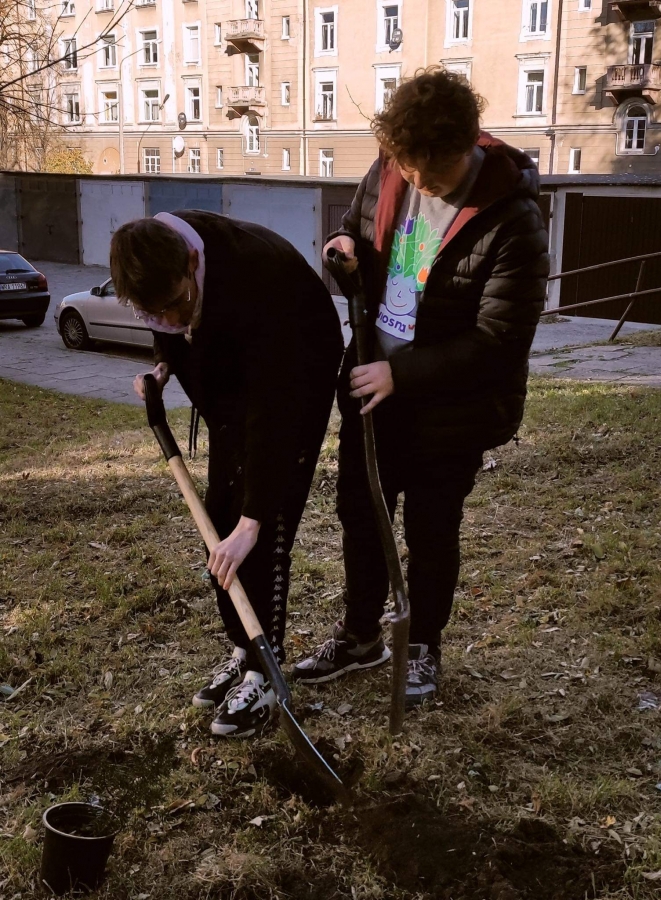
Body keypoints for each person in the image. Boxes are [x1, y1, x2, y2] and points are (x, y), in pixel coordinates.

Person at [292, 68, 549, 710]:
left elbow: (499, 338)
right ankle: (360, 637)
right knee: (361, 517)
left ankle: (423, 645)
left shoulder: (512, 217)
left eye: (426, 169)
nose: (413, 178)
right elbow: (356, 226)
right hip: (370, 391)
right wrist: (343, 244)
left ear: (462, 147)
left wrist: (401, 373)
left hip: (449, 411)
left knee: (431, 530)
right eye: (404, 165)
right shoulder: (393, 167)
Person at [110, 210, 343, 737]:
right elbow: (169, 325)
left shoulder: (258, 281)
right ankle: (244, 647)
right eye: (155, 313)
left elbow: (273, 413)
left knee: (258, 532)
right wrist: (164, 364)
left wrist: (253, 519)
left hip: (295, 378)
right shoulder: (160, 271)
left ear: (193, 261)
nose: (170, 318)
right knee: (219, 525)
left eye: (177, 304)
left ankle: (266, 669)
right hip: (236, 381)